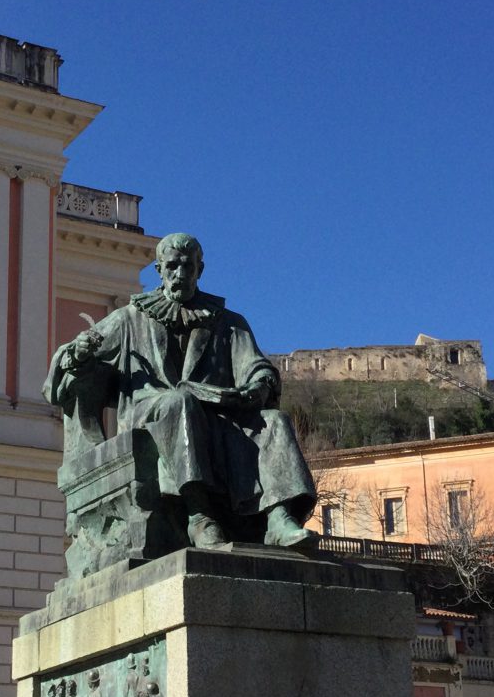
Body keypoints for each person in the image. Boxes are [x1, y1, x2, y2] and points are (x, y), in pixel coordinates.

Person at [43, 233, 316, 548]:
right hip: (150, 420)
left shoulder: (228, 323)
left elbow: (256, 366)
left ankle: (278, 518)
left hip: (218, 419)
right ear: (159, 269)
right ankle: (199, 516)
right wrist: (77, 354)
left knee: (274, 421)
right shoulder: (128, 319)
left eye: (188, 266)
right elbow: (61, 372)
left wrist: (259, 385)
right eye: (172, 266)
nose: (180, 274)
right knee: (179, 400)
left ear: (201, 269)